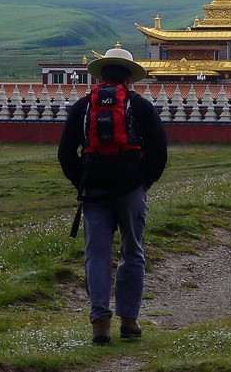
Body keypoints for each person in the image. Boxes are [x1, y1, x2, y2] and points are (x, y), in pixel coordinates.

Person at [58, 45, 167, 345]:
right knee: (132, 252)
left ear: (100, 76)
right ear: (129, 79)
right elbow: (159, 153)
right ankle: (129, 321)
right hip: (131, 189)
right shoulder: (141, 107)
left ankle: (100, 326)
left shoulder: (83, 107)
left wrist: (82, 180)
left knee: (97, 255)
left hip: (93, 192)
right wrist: (142, 183)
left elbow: (66, 152)